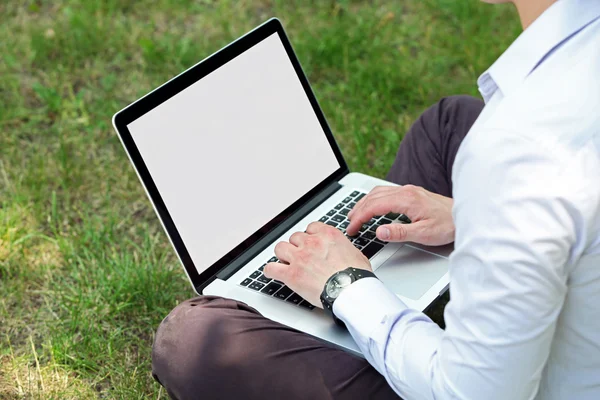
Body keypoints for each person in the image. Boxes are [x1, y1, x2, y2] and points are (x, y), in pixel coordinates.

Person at [151, 0, 600, 398]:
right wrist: (474, 218)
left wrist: (345, 285)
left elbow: (469, 393)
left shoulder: (517, 151)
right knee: (447, 126)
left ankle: (354, 335)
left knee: (192, 339)